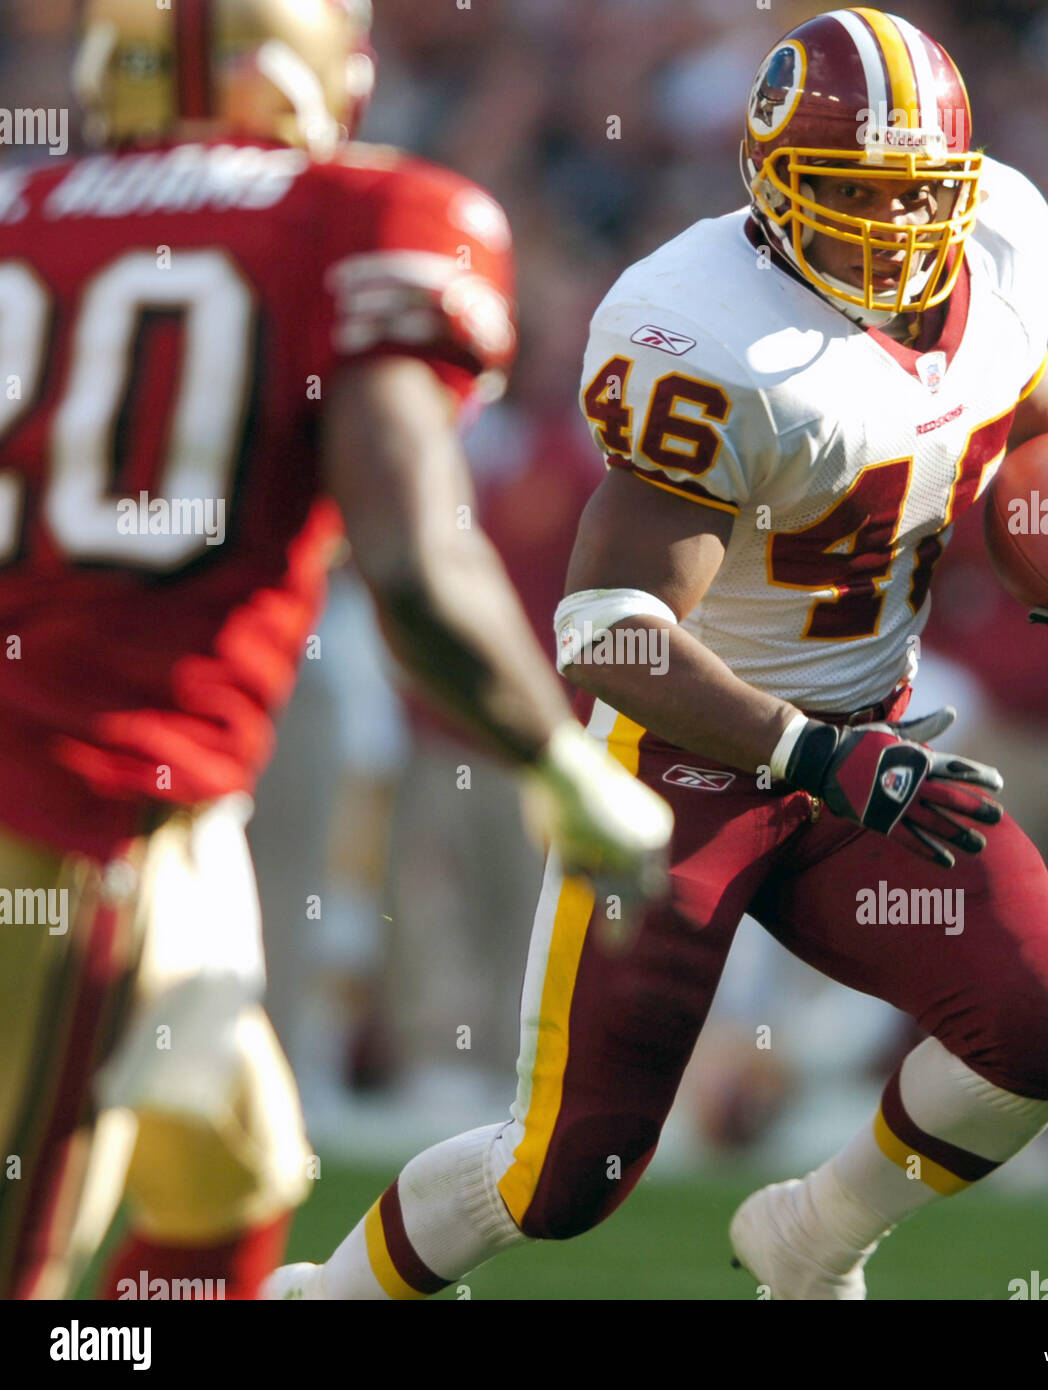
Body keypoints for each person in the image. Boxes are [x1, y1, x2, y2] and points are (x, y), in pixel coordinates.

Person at [265, 7, 1048, 1301]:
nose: (890, 228)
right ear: (771, 182)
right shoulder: (716, 339)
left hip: (871, 746)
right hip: (687, 766)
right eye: (848, 192)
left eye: (914, 194)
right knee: (563, 1174)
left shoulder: (992, 242)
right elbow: (605, 630)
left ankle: (812, 1236)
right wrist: (807, 751)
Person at [0, 0, 669, 1300]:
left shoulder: (24, 212)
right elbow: (415, 561)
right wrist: (560, 764)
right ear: (299, 72)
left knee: (232, 1167)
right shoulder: (356, 214)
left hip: (146, 803)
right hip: (79, 807)